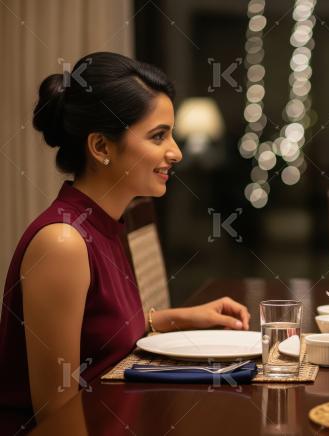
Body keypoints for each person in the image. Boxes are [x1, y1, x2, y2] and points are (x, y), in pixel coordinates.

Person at [0, 52, 251, 428]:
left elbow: (99, 335)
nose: (176, 152)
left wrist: (178, 318)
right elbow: (56, 412)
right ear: (101, 147)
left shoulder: (105, 222)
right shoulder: (63, 243)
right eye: (158, 136)